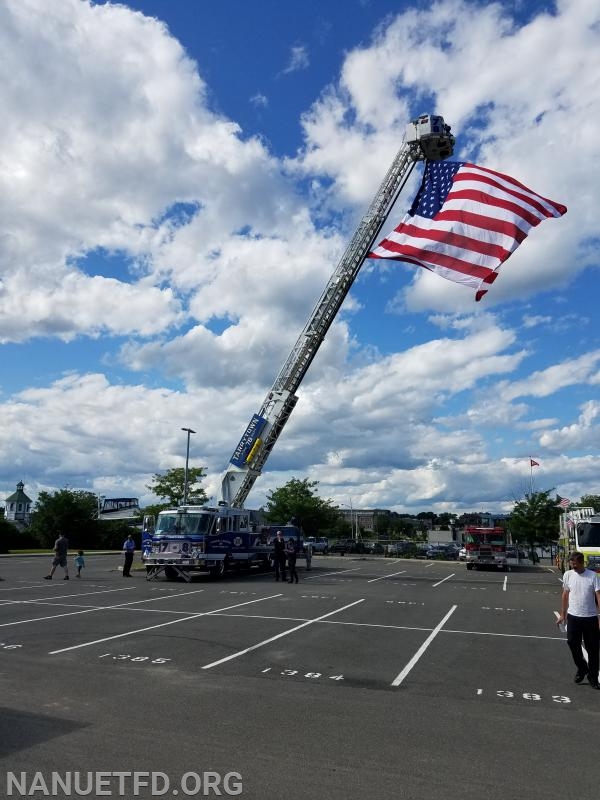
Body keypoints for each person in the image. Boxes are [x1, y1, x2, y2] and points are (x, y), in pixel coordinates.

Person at [557, 551, 600, 689]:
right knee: (572, 643)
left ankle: (593, 677)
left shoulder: (593, 576)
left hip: (590, 618)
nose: (573, 567)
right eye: (572, 564)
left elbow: (598, 596)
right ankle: (582, 668)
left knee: (593, 649)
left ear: (582, 563)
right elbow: (565, 595)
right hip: (573, 617)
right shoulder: (568, 575)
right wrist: (563, 614)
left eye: (575, 565)